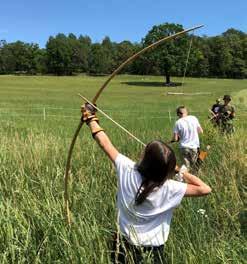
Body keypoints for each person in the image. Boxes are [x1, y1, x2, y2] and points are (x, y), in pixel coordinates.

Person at [81, 103, 211, 264]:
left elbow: (104, 143)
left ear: (145, 159)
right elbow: (205, 189)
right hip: (153, 252)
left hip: (121, 246)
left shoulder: (127, 169)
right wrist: (179, 171)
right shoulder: (170, 188)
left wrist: (90, 118)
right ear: (167, 169)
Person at [171, 106, 203, 171]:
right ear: (187, 112)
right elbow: (201, 131)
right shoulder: (194, 118)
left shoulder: (178, 122)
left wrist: (176, 139)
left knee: (185, 168)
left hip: (184, 148)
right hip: (194, 147)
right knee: (195, 167)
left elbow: (175, 139)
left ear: (178, 114)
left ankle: (185, 180)